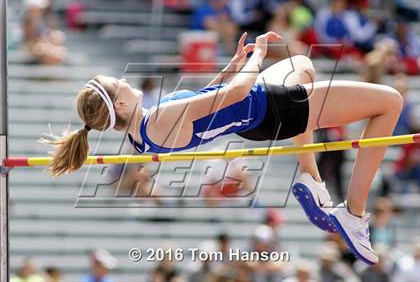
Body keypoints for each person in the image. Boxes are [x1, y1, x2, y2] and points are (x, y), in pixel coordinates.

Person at [42, 30, 404, 265]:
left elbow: (204, 104)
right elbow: (235, 95)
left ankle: (311, 178)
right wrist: (256, 57)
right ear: (119, 105)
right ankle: (353, 215)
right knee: (389, 102)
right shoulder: (159, 116)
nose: (123, 79)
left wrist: (230, 68)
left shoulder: (144, 131)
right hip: (274, 108)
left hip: (257, 120)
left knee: (302, 64)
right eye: (117, 83)